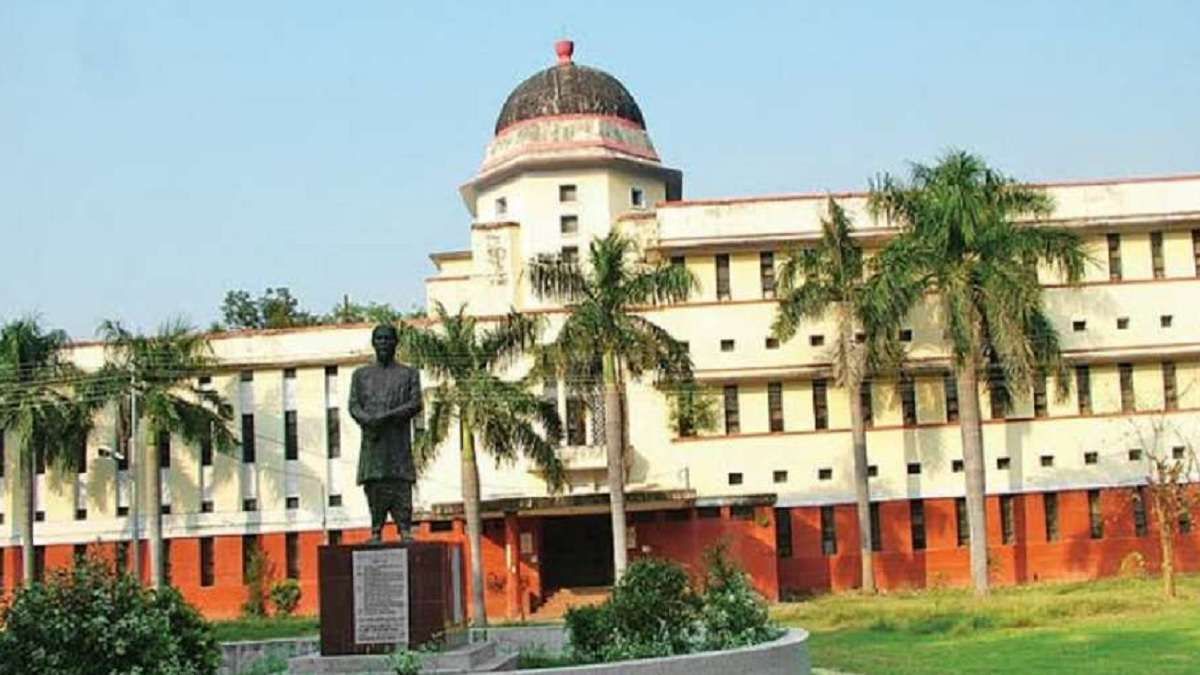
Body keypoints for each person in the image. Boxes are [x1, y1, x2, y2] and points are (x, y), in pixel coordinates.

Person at [348, 323, 422, 542]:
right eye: (379, 339)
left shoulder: (408, 373)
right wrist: (368, 419)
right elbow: (353, 405)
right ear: (373, 343)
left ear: (395, 343)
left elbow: (416, 402)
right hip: (373, 440)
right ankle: (376, 529)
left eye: (388, 339)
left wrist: (389, 416)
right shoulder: (361, 375)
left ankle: (405, 529)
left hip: (398, 441)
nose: (383, 343)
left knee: (400, 483)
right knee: (375, 484)